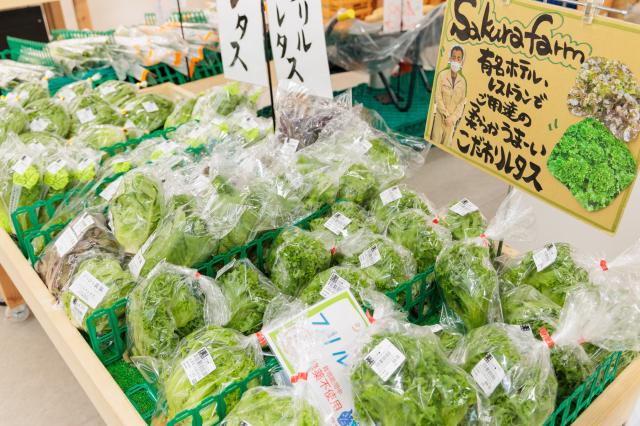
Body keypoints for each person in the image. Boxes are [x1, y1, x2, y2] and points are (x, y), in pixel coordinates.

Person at [431, 45, 467, 147]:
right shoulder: (442, 75)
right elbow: (438, 96)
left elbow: (461, 103)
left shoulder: (463, 82)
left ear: (461, 61)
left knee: (447, 145)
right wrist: (446, 114)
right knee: (435, 141)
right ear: (450, 59)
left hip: (452, 121)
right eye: (453, 57)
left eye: (458, 58)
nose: (456, 60)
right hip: (440, 116)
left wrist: (452, 118)